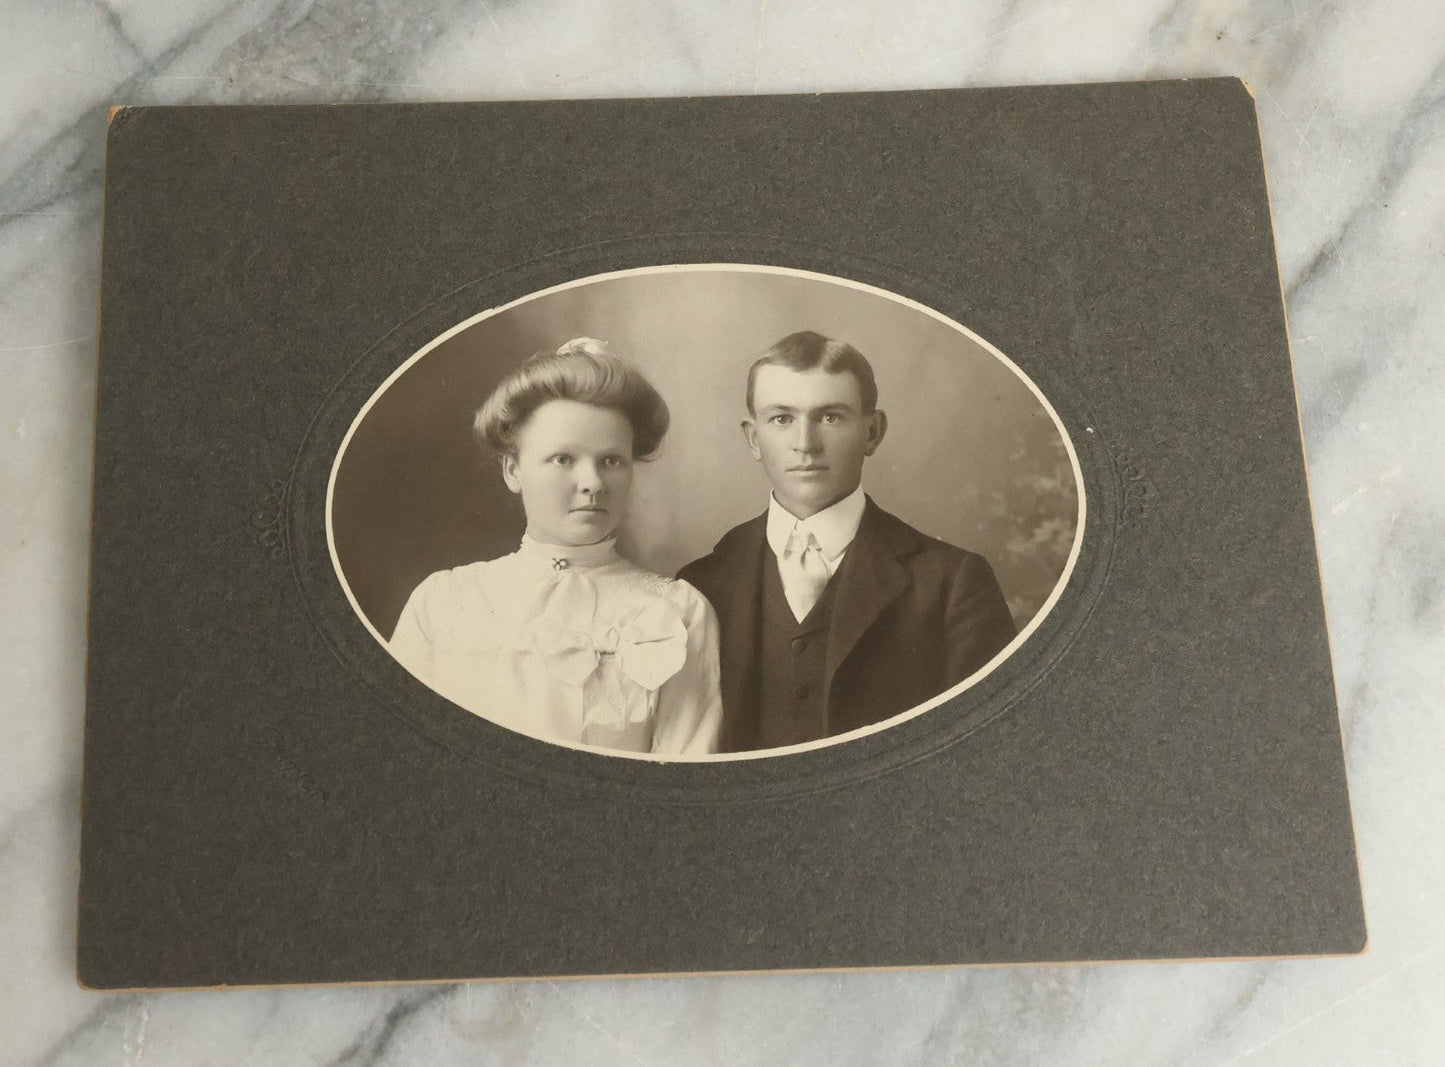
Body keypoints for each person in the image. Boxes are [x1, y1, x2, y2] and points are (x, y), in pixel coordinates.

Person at [678, 331, 1017, 753]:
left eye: (830, 417)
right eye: (782, 418)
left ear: (872, 432)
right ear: (753, 439)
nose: (805, 443)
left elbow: (989, 751)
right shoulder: (699, 585)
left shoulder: (952, 583)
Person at [390, 338, 723, 757]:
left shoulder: (678, 612)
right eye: (564, 459)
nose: (594, 483)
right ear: (514, 470)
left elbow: (687, 775)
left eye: (611, 460)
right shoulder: (442, 602)